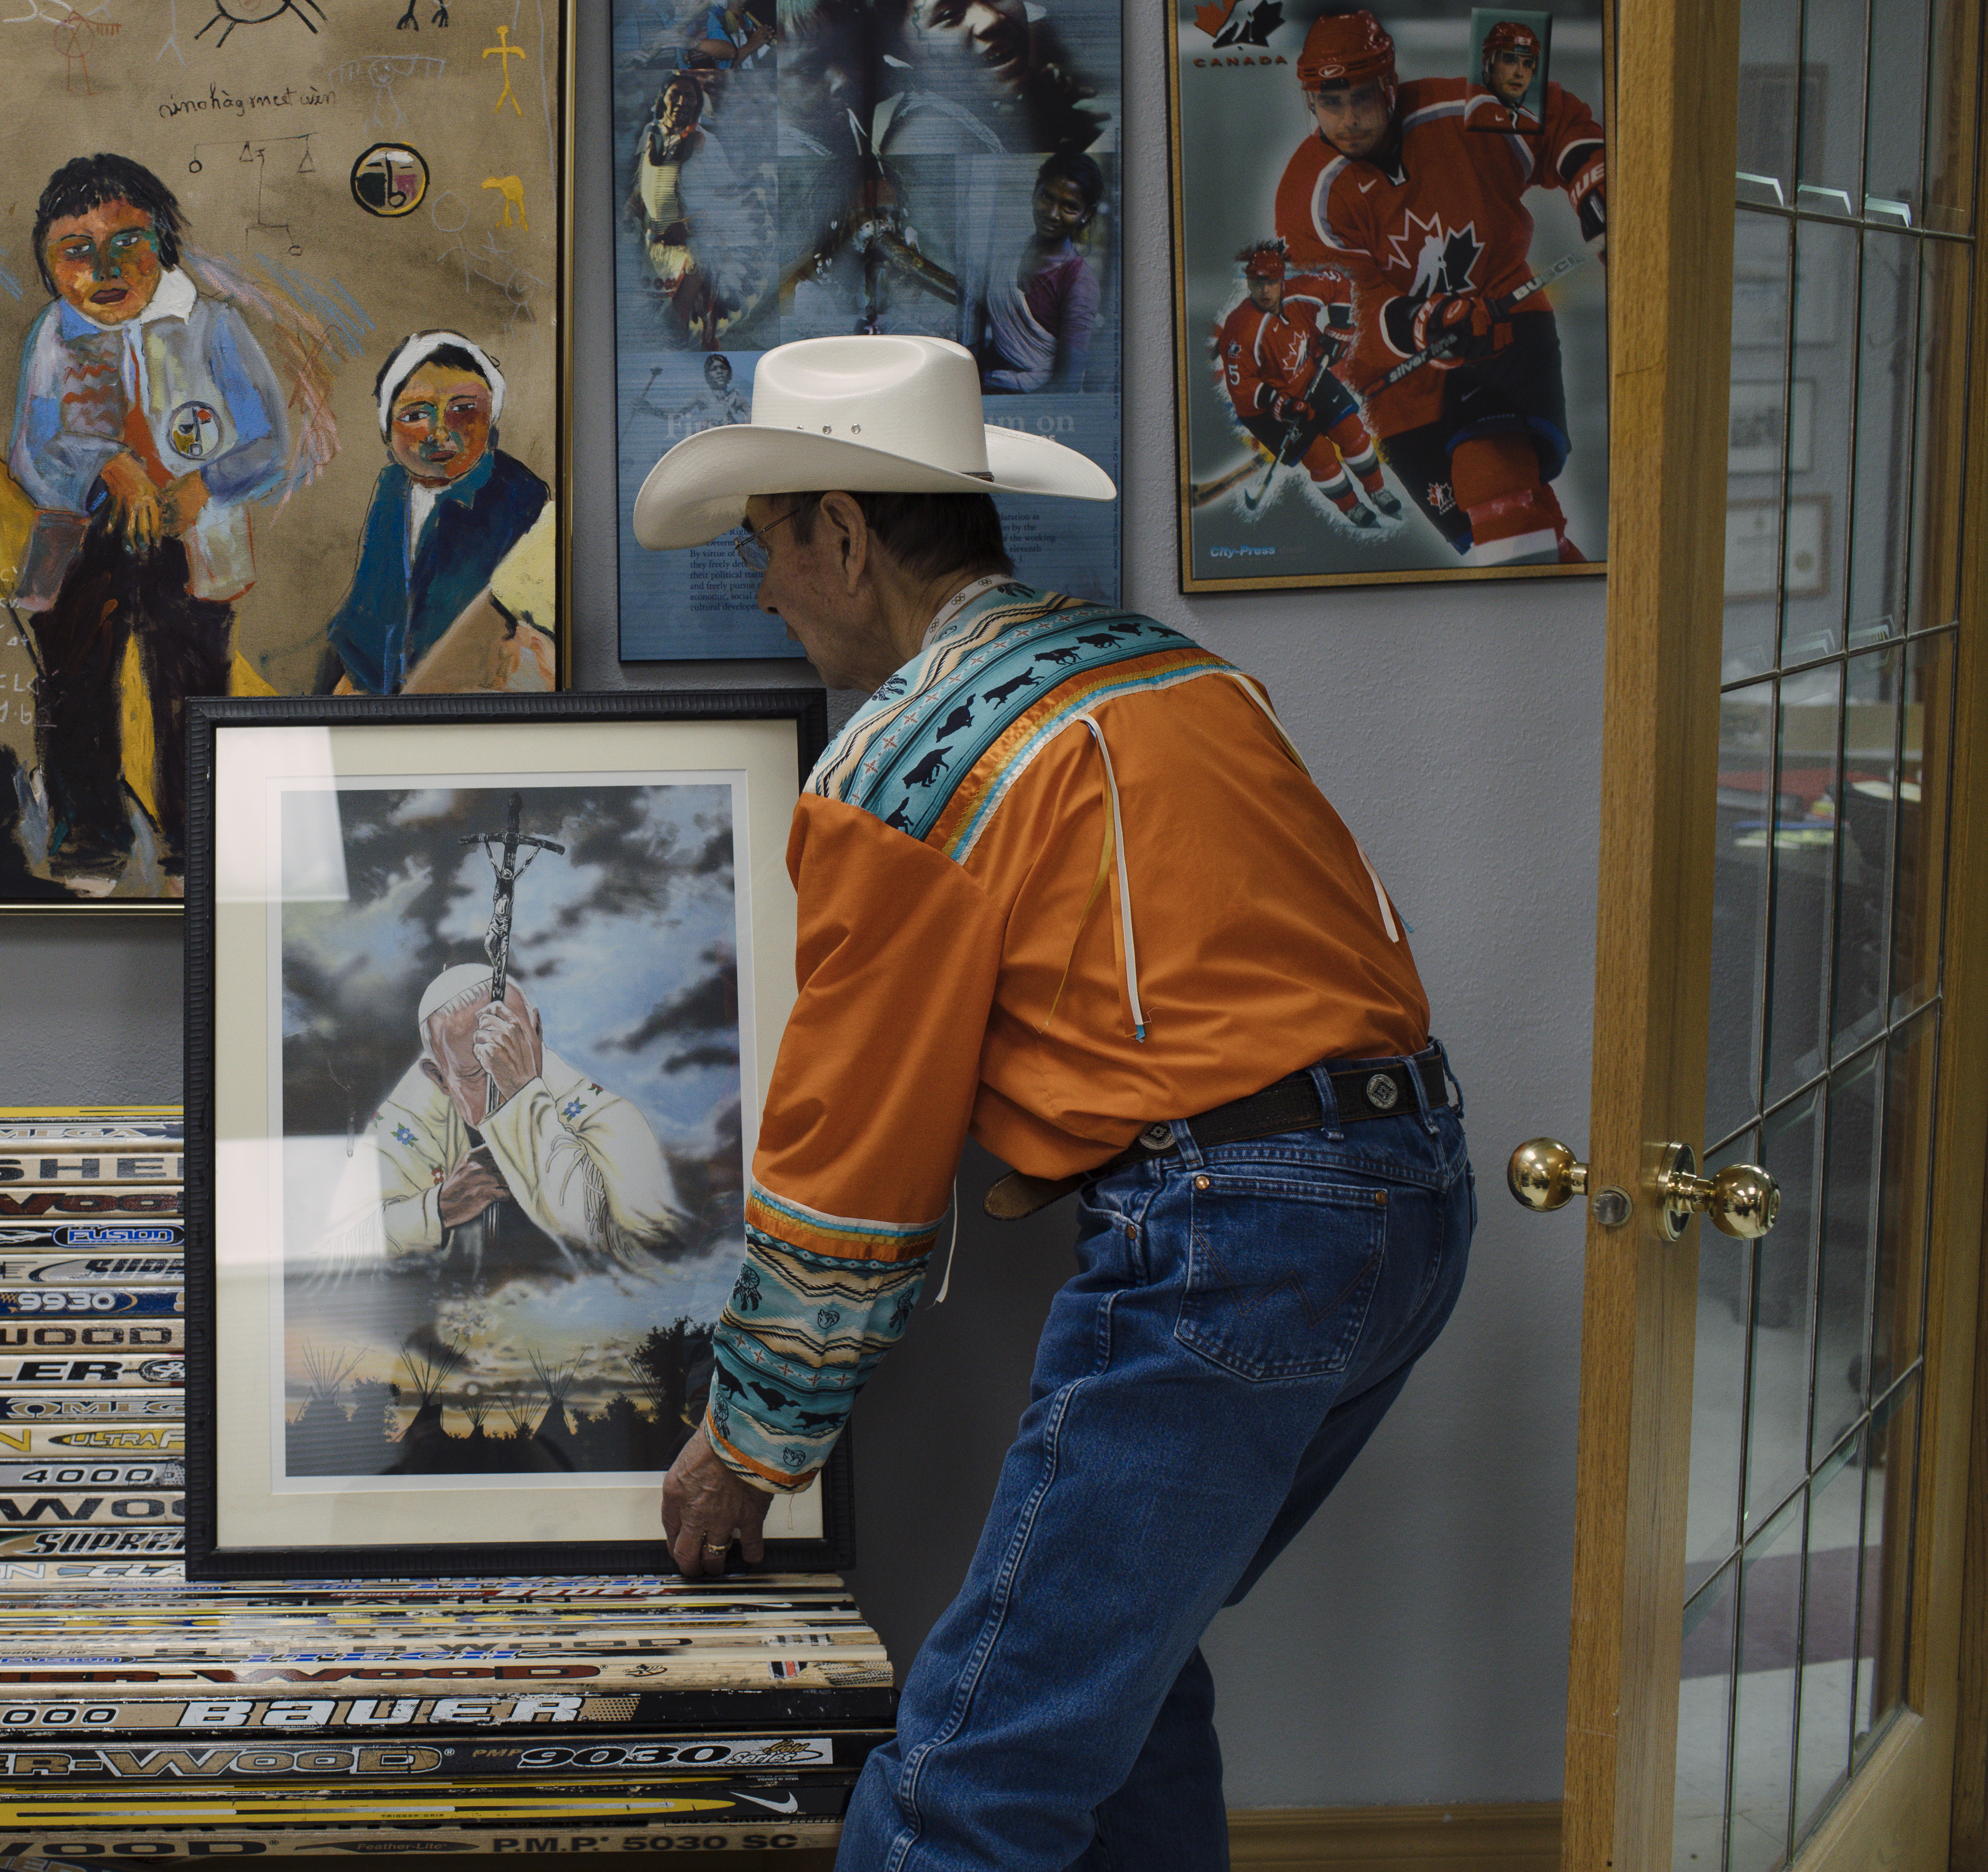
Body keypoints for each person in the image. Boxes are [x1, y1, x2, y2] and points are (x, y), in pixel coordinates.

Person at [630, 334, 1472, 1872]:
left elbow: (849, 1175)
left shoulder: (903, 761)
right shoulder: (1173, 669)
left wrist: (744, 1446)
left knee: (967, 1769)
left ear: (839, 530)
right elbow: (1225, 989)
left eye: (766, 544)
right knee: (1113, 1683)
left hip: (1233, 1232)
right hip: (1413, 1201)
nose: (762, 587)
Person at [9, 153, 289, 893]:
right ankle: (87, 845)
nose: (102, 266)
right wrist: (106, 463)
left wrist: (207, 480)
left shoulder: (212, 328)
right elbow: (32, 454)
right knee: (75, 686)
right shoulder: (54, 337)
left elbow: (267, 442)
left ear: (162, 247)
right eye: (75, 251)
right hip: (80, 538)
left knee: (190, 691)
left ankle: (193, 849)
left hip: (189, 540)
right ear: (50, 264)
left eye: (125, 243)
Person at [1273, 7, 1606, 565]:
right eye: (1332, 103)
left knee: (1501, 499)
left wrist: (1594, 184)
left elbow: (1558, 124)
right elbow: (1344, 311)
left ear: (1389, 83)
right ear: (1310, 101)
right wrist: (1421, 323)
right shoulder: (1306, 194)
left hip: (1502, 324)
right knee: (1496, 541)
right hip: (1398, 386)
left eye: (1362, 98)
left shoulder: (1458, 112)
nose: (1350, 119)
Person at [352, 962, 679, 1283]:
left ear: (536, 1030)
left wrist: (524, 1094)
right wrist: (440, 1207)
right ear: (440, 1078)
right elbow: (344, 1241)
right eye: (479, 1074)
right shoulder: (408, 1119)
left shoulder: (608, 1118)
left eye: (513, 1054)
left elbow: (648, 1250)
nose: (501, 1084)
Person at [320, 333, 552, 695]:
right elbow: (373, 602)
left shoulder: (519, 493)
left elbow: (485, 628)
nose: (439, 432)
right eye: (415, 415)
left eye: (463, 410)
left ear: (491, 413)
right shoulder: (393, 485)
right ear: (388, 427)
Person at [1207, 237, 1401, 529]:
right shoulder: (1240, 329)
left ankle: (1377, 490)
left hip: (1310, 377)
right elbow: (1243, 391)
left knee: (1352, 433)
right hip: (1264, 409)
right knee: (1320, 456)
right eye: (1258, 283)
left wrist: (1338, 326)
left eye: (1271, 282)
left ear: (1282, 280)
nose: (1265, 290)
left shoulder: (1302, 293)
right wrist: (1280, 404)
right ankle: (1351, 506)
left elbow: (1338, 283)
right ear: (1248, 285)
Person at [967, 150, 1106, 393]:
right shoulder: (1009, 257)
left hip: (1034, 403)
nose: (1052, 213)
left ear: (1088, 214)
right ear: (1035, 192)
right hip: (989, 383)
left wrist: (1015, 389)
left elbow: (1067, 384)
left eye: (1069, 207)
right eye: (1047, 197)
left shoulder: (1079, 282)